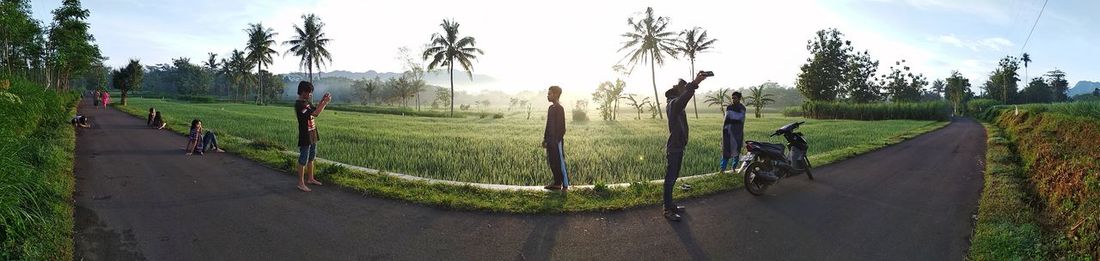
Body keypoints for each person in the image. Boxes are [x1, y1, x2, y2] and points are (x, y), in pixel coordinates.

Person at [662, 71, 711, 221]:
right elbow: (683, 99)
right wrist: (695, 82)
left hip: (678, 146)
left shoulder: (676, 104)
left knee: (674, 177)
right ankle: (667, 209)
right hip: (674, 147)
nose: (684, 90)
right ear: (677, 91)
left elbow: (683, 99)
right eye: (682, 88)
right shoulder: (673, 104)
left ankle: (670, 205)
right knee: (670, 179)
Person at [294, 81, 331, 192]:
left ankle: (310, 178)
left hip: (313, 133)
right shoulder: (300, 105)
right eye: (309, 92)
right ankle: (301, 183)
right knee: (303, 159)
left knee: (311, 157)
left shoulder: (307, 102)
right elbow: (315, 114)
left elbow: (315, 110)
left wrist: (323, 101)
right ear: (303, 92)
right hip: (305, 135)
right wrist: (325, 103)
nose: (310, 94)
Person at [542, 86, 569, 191]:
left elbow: (562, 128)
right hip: (549, 141)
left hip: (556, 142)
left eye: (549, 94)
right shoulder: (550, 108)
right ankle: (557, 183)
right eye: (548, 94)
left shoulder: (559, 109)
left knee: (560, 162)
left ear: (556, 95)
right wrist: (545, 139)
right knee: (552, 161)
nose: (548, 96)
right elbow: (548, 125)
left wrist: (556, 141)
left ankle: (565, 185)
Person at [720, 92, 747, 174]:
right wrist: (725, 129)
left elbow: (740, 119)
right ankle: (722, 170)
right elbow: (726, 119)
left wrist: (732, 120)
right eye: (732, 98)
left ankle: (734, 168)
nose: (733, 99)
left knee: (737, 151)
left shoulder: (742, 108)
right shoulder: (729, 107)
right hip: (727, 132)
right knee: (726, 151)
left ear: (739, 98)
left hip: (737, 133)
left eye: (735, 98)